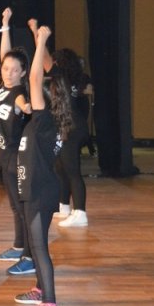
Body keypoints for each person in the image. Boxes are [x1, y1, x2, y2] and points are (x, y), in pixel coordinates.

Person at [14, 25, 71, 306]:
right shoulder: (49, 121)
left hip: (39, 191)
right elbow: (42, 81)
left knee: (39, 247)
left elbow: (35, 77)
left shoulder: (45, 121)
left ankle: (49, 305)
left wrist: (42, 41)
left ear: (45, 101)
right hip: (36, 188)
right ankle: (40, 287)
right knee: (36, 246)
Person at [0, 8, 35, 275]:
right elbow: (5, 54)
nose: (7, 72)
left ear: (22, 73)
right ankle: (19, 247)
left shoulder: (17, 92)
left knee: (22, 207)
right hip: (4, 159)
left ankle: (29, 257)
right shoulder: (4, 86)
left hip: (17, 159)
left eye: (14, 70)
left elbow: (25, 106)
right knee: (14, 206)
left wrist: (30, 108)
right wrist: (5, 25)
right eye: (5, 68)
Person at [52, 47, 92, 227]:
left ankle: (80, 213)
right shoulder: (74, 79)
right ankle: (64, 207)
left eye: (55, 61)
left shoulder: (62, 79)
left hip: (71, 127)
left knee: (72, 171)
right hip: (75, 125)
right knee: (61, 168)